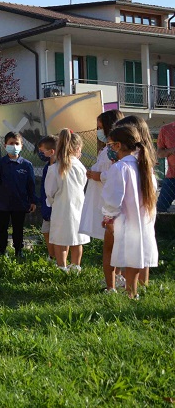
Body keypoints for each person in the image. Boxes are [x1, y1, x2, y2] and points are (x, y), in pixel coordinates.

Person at [102, 125, 159, 299]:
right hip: (143, 220)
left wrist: (108, 217)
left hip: (126, 219)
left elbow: (113, 198)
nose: (109, 149)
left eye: (110, 145)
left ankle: (131, 294)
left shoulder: (120, 168)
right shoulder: (145, 167)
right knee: (137, 256)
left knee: (129, 256)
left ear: (118, 145)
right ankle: (133, 293)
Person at [79, 111, 125, 290]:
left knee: (112, 245)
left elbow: (115, 173)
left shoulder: (115, 151)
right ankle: (115, 277)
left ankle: (114, 280)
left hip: (112, 205)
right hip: (106, 202)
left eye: (100, 127)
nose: (98, 131)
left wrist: (98, 175)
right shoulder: (106, 149)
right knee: (112, 243)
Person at [114, 115, 157, 287]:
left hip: (131, 212)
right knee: (143, 246)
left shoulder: (129, 162)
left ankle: (130, 286)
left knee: (131, 250)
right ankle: (141, 286)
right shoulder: (143, 158)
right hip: (144, 211)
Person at [45, 129, 89, 273]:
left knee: (60, 240)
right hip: (79, 207)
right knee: (77, 239)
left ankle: (62, 268)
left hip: (61, 209)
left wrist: (51, 201)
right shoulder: (80, 167)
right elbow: (83, 184)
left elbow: (50, 191)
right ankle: (76, 267)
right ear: (77, 148)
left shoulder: (54, 168)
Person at [0, 132, 36, 258]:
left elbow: (31, 185)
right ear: (5, 145)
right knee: (2, 228)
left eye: (17, 143)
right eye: (11, 143)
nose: (14, 146)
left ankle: (18, 250)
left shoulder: (27, 165)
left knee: (18, 228)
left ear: (21, 146)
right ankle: (2, 249)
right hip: (3, 203)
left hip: (20, 203)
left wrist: (33, 201)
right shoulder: (0, 163)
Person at [36, 135, 58, 263]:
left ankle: (59, 258)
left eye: (42, 150)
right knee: (46, 231)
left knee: (56, 233)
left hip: (56, 205)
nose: (40, 153)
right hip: (46, 204)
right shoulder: (47, 166)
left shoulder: (59, 166)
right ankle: (52, 255)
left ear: (52, 151)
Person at [155, 118, 175, 213]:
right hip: (172, 177)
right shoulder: (166, 129)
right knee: (160, 209)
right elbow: (159, 153)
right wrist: (172, 150)